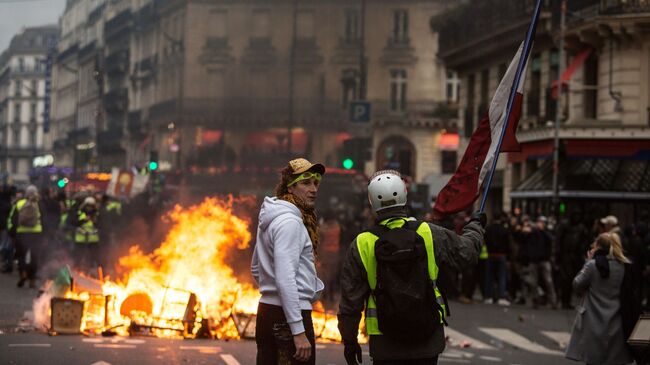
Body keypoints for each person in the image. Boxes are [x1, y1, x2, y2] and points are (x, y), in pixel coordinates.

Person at [337, 170, 485, 365]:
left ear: (372, 201)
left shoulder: (362, 243)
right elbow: (467, 254)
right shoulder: (428, 232)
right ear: (405, 196)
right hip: (428, 338)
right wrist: (475, 226)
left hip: (385, 341)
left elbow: (350, 301)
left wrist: (350, 341)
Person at [250, 158, 325, 365]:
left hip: (267, 312)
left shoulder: (272, 217)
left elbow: (256, 267)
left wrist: (271, 291)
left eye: (316, 183)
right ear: (290, 187)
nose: (313, 189)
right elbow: (285, 278)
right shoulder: (290, 222)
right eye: (306, 182)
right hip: (288, 317)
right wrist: (298, 331)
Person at [565, 232, 635, 365]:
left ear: (598, 246)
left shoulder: (592, 265)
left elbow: (577, 284)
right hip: (617, 320)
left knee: (593, 360)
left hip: (593, 320)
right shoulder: (623, 266)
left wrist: (588, 261)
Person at [7, 185, 46, 288]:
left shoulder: (19, 203)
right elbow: (44, 220)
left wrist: (12, 233)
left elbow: (13, 219)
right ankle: (32, 280)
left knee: (21, 256)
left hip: (22, 233)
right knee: (34, 257)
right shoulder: (39, 204)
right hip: (36, 233)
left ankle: (23, 274)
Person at [484, 212, 511, 305]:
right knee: (501, 277)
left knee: (489, 277)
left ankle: (489, 296)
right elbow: (508, 244)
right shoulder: (504, 230)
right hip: (501, 255)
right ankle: (501, 296)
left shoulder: (488, 229)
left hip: (491, 254)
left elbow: (485, 241)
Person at [72, 196, 101, 271]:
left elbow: (101, 225)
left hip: (93, 240)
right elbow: (74, 223)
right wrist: (84, 220)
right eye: (88, 206)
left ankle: (91, 270)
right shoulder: (79, 213)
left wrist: (95, 222)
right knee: (79, 256)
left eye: (91, 206)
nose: (89, 208)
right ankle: (77, 269)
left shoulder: (97, 214)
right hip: (80, 239)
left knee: (93, 257)